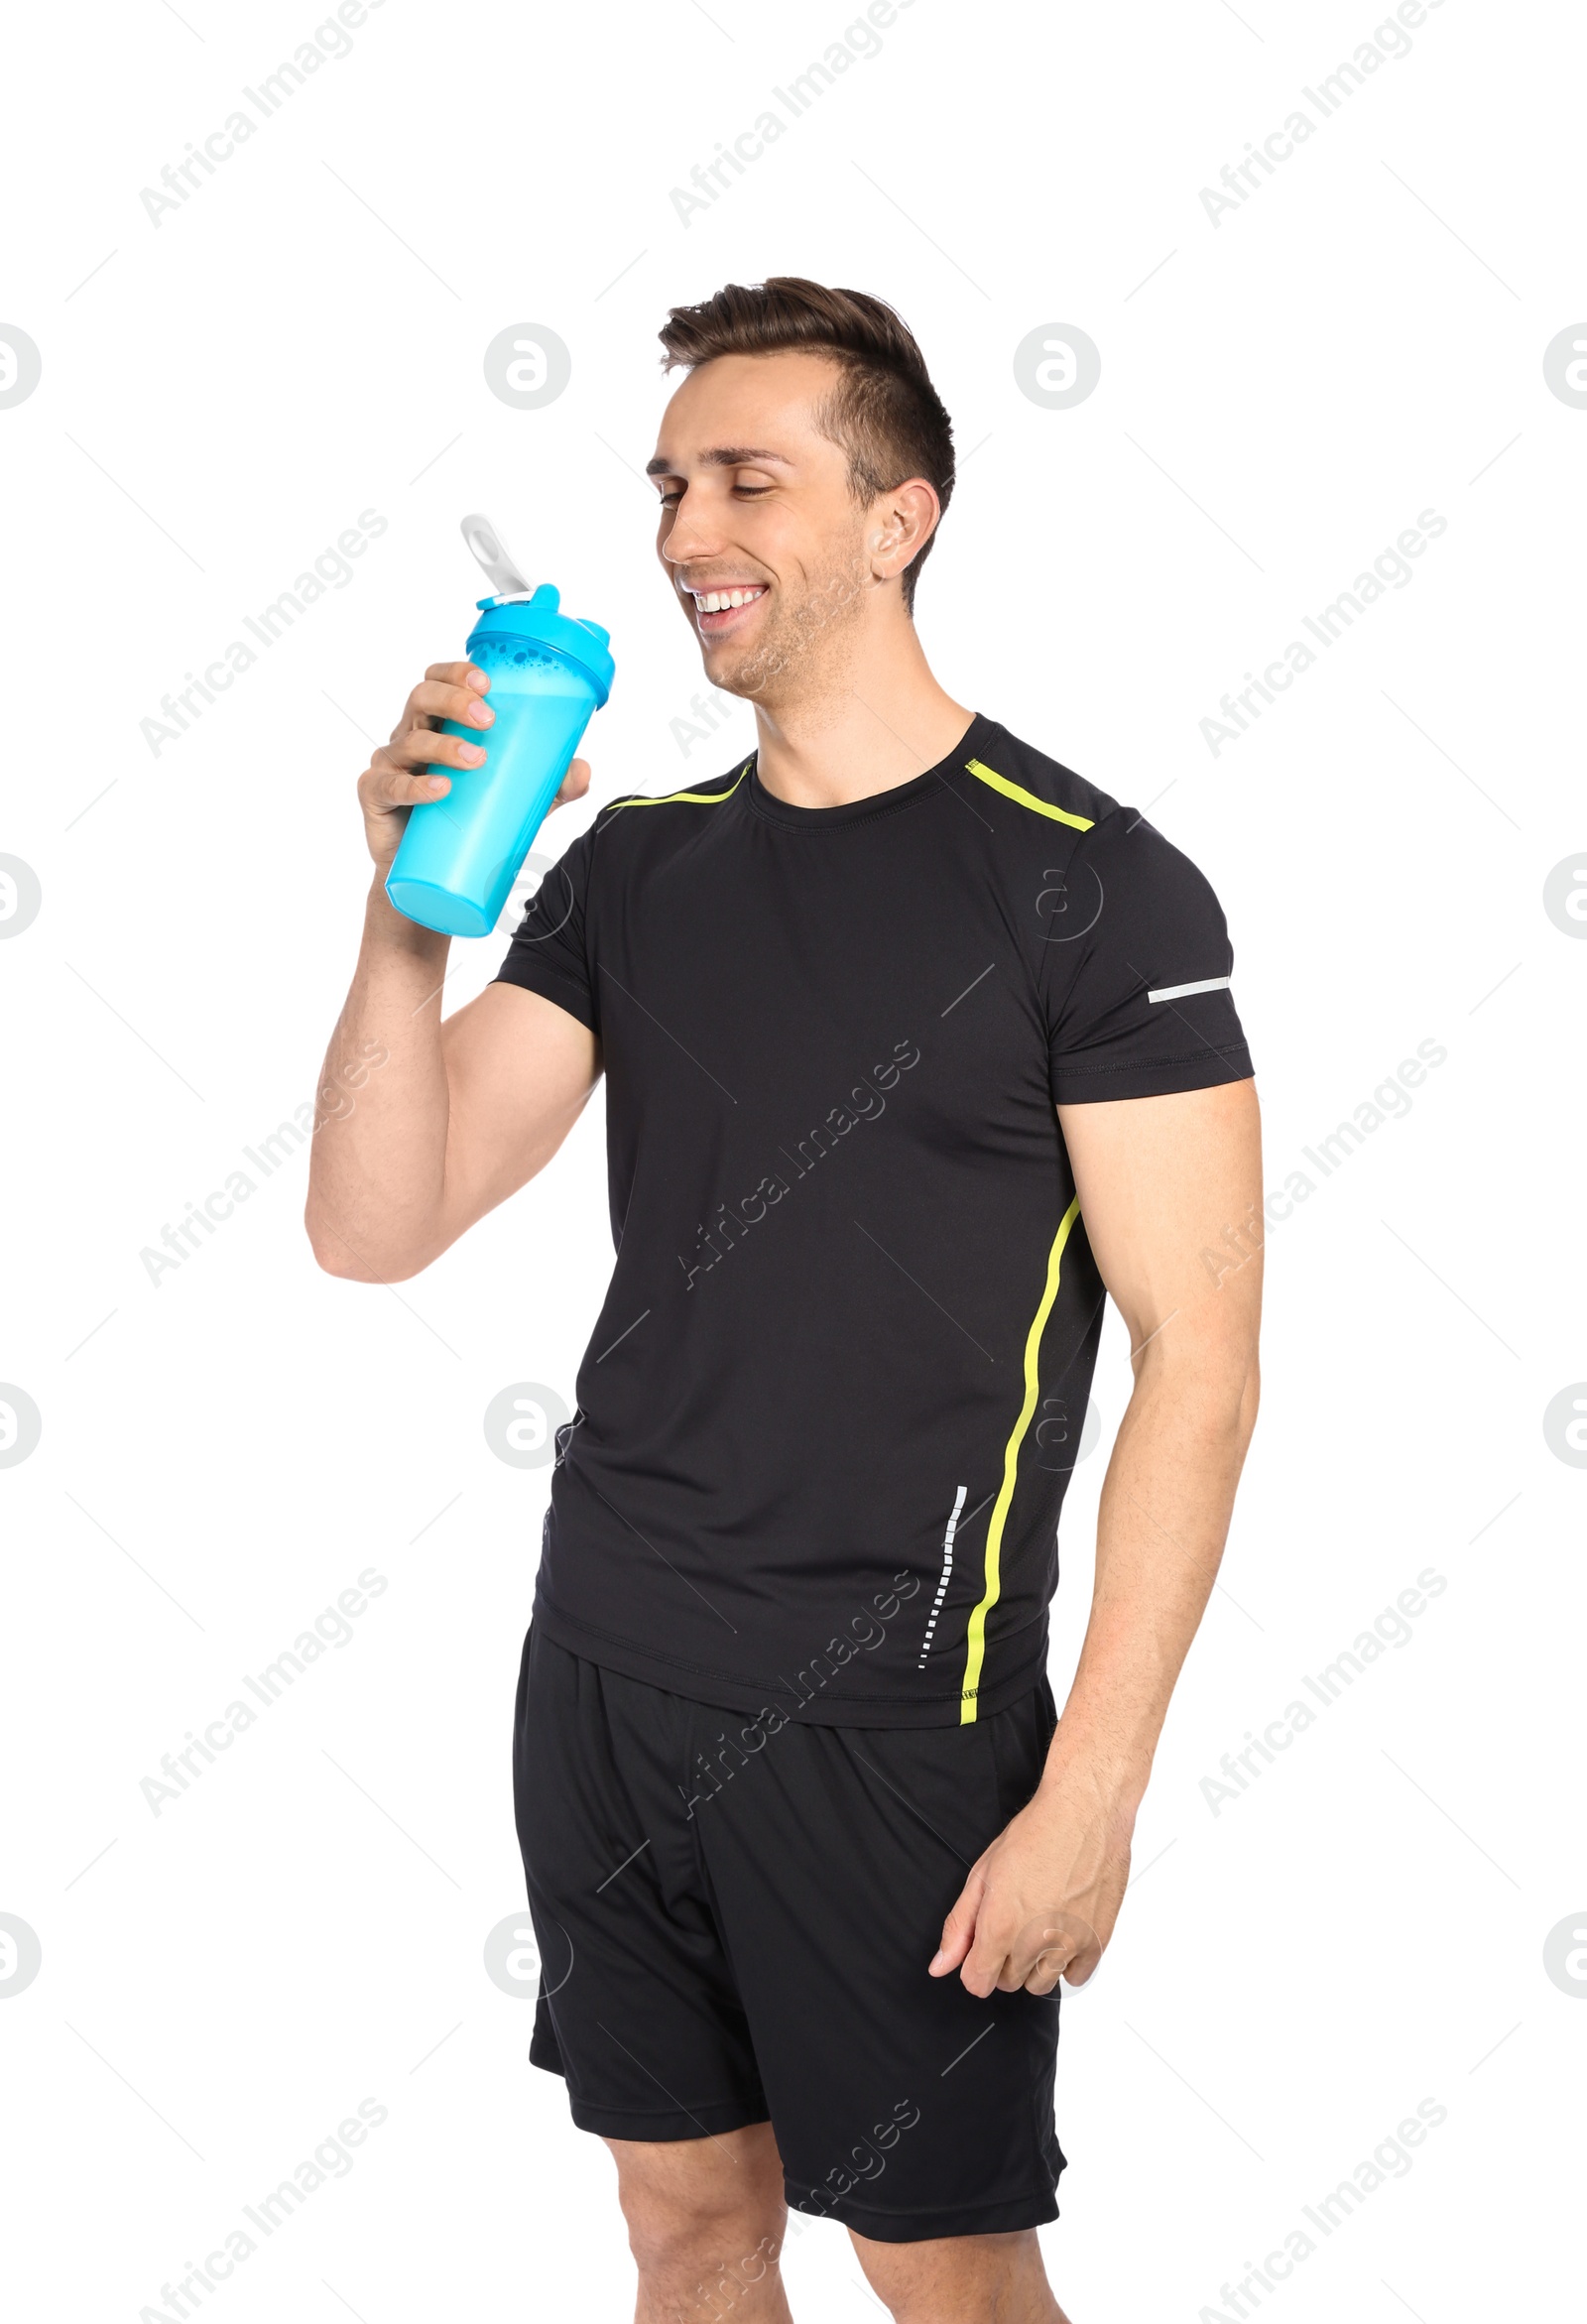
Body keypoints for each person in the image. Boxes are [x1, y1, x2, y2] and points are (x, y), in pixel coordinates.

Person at [305, 276, 1263, 2324]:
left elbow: (1198, 1360)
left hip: (893, 1717)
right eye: (667, 485)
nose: (683, 537)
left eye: (746, 479)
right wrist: (401, 917)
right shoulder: (634, 867)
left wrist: (1085, 1788)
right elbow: (377, 1224)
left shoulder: (1091, 884)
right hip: (606, 1672)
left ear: (897, 514)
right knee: (686, 2235)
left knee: (939, 2269)